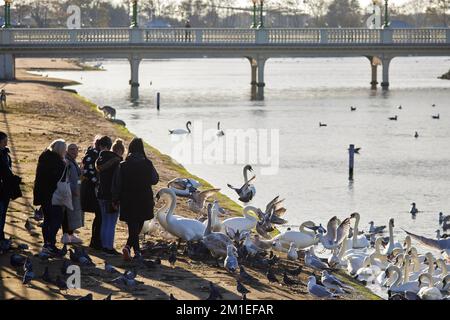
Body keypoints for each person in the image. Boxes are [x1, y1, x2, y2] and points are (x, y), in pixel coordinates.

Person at [112, 138, 159, 261]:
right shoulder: (147, 164)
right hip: (144, 199)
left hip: (128, 199)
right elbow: (155, 180)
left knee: (132, 225)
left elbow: (117, 184)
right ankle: (134, 250)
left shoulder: (123, 165)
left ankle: (130, 248)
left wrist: (115, 199)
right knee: (138, 225)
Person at [33, 139, 67, 255]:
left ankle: (47, 244)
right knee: (56, 220)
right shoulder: (57, 162)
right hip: (53, 195)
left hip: (43, 194)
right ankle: (50, 244)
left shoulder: (44, 158)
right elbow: (58, 180)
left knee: (47, 220)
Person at [96, 138, 124, 255]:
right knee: (111, 223)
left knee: (104, 221)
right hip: (111, 196)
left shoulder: (99, 159)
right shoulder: (117, 161)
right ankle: (108, 247)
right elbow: (118, 181)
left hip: (101, 193)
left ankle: (103, 246)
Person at [80, 135, 102, 249]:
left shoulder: (91, 154)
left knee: (99, 215)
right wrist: (98, 183)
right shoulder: (93, 155)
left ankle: (95, 240)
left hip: (91, 188)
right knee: (100, 214)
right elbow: (88, 172)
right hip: (92, 190)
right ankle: (95, 241)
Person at [61, 143, 83, 244]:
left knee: (72, 213)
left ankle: (71, 234)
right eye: (71, 149)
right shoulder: (67, 162)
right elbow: (65, 178)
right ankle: (66, 235)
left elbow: (77, 177)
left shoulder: (73, 162)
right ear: (66, 151)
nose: (74, 151)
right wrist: (72, 190)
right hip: (69, 192)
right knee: (67, 213)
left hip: (74, 191)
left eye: (76, 149)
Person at [0, 132, 13, 242]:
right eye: (4, 141)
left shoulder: (6, 154)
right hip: (2, 189)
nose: (6, 143)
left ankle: (1, 237)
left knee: (3, 213)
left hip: (5, 189)